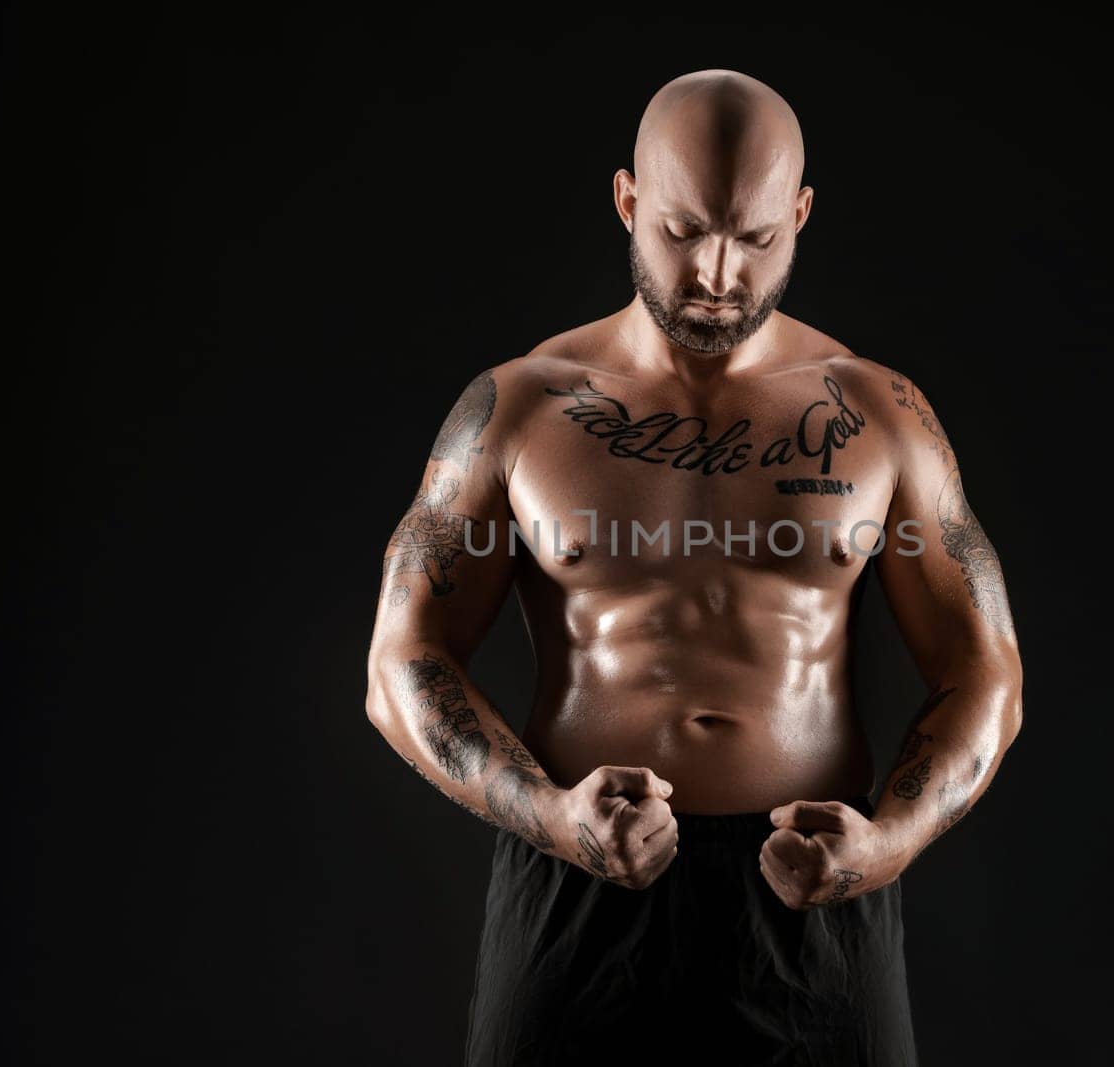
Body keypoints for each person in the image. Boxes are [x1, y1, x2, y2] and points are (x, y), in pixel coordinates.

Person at [364, 68, 1024, 1066]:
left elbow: (986, 669)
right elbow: (399, 661)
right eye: (681, 232)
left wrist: (889, 840)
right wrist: (549, 816)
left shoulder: (883, 414)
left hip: (813, 900)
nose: (717, 272)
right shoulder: (519, 410)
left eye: (755, 238)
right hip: (577, 887)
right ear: (629, 201)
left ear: (798, 216)